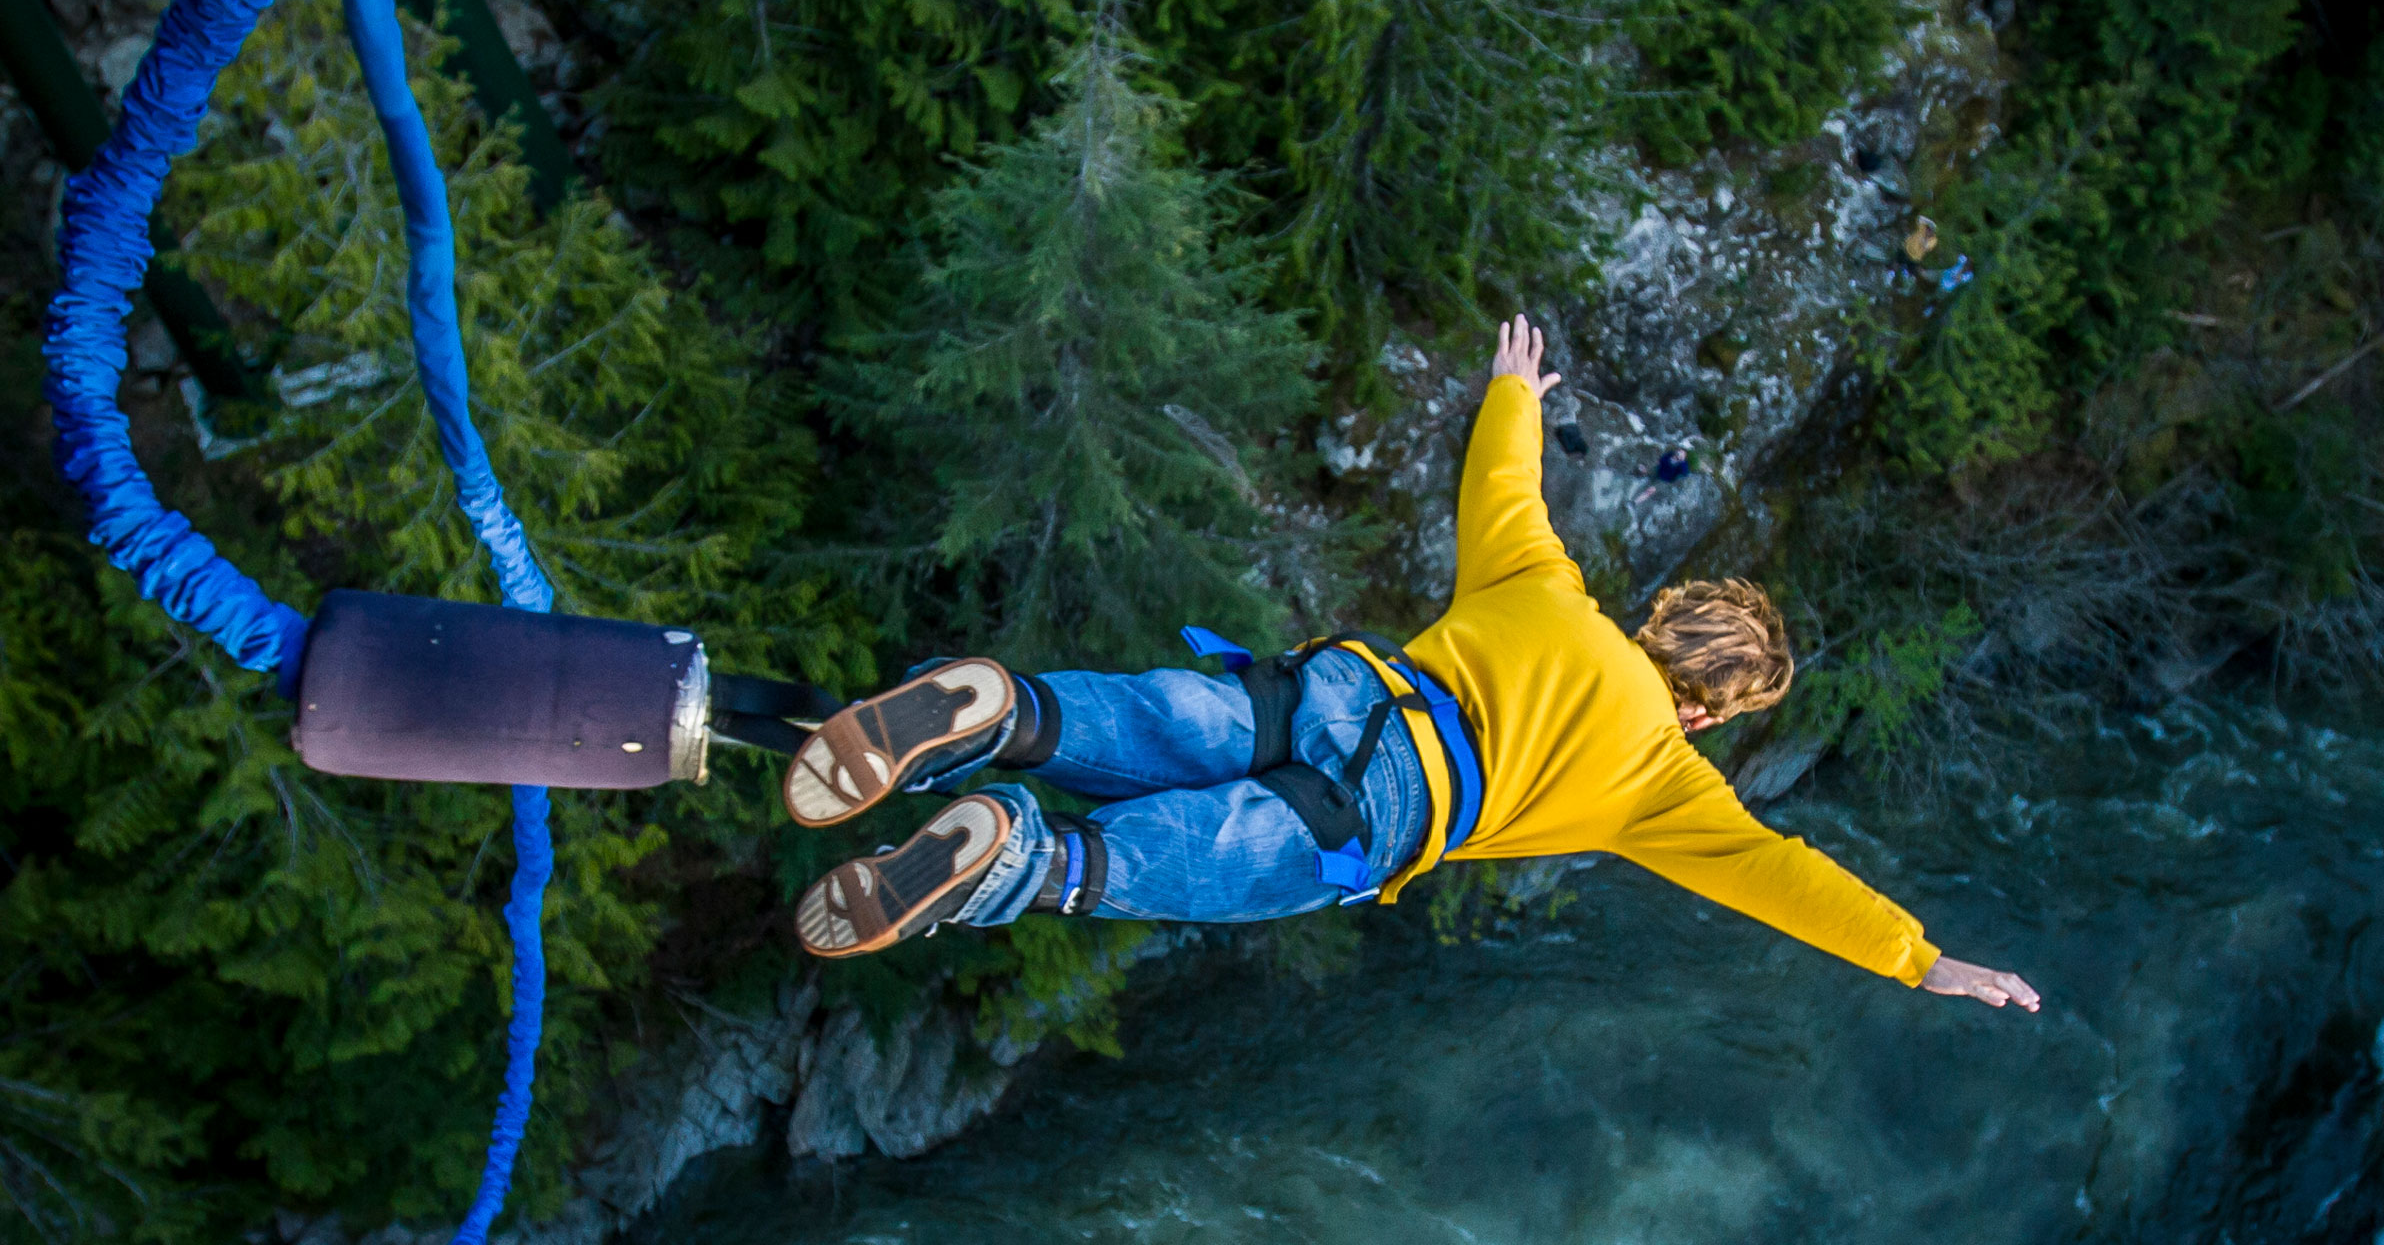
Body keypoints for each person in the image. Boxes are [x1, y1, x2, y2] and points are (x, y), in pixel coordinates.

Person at [785, 315, 2041, 1012]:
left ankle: (1003, 712)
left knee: (1165, 721)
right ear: (1708, 712)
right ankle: (1018, 855)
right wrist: (1919, 957)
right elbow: (1780, 876)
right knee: (1172, 860)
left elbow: (1503, 485)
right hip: (1390, 809)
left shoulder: (1543, 585)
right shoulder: (1664, 783)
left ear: (1658, 619)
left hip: (1339, 690)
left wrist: (1515, 392)